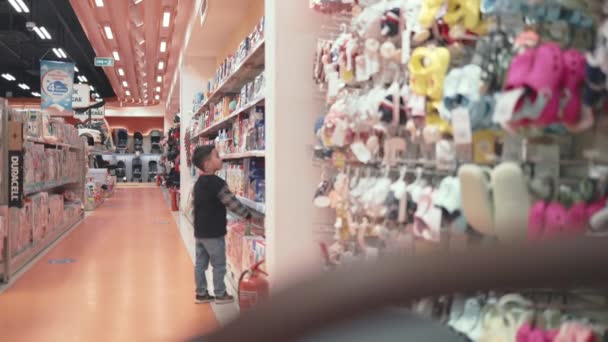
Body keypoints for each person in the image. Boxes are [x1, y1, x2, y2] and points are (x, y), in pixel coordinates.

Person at [191, 145, 252, 304]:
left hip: (200, 232)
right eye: (217, 156)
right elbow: (231, 203)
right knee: (219, 264)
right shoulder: (218, 183)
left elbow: (195, 205)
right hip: (214, 232)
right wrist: (247, 214)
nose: (221, 158)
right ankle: (220, 293)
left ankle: (201, 293)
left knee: (200, 263)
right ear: (208, 164)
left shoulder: (198, 183)